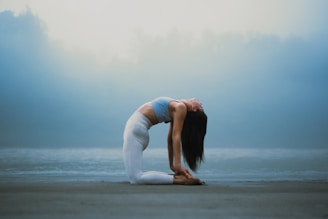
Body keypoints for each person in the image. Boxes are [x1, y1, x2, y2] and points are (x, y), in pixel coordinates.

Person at [122, 97, 207, 185]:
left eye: (201, 107)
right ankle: (177, 178)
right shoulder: (177, 106)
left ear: (194, 109)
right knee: (137, 176)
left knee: (136, 179)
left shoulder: (181, 107)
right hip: (137, 131)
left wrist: (177, 164)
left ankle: (182, 180)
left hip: (135, 131)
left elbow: (175, 136)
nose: (200, 102)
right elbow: (170, 139)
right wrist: (172, 165)